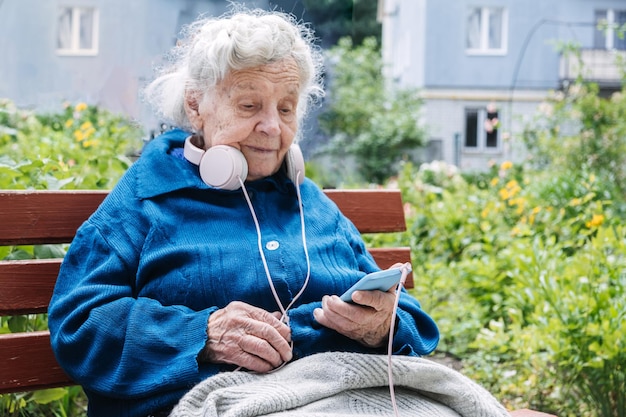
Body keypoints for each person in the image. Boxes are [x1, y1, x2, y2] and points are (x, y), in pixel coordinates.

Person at [48, 7, 439, 417]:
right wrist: (202, 334)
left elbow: (406, 313)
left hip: (343, 393)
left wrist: (382, 327)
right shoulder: (146, 199)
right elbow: (81, 323)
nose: (273, 127)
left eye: (286, 109)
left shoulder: (314, 206)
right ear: (196, 105)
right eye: (251, 106)